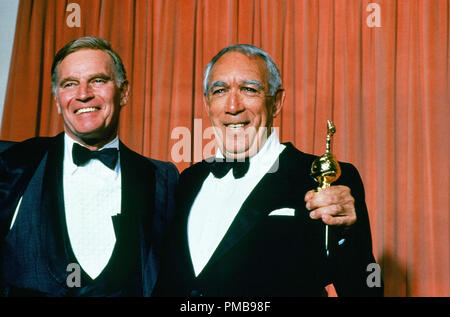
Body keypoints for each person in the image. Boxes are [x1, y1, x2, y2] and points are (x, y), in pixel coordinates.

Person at [154, 44, 382, 297]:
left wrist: (350, 235)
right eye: (219, 91)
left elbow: (367, 289)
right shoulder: (186, 181)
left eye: (249, 89)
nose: (233, 106)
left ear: (277, 102)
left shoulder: (325, 179)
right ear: (207, 103)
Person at [0, 36, 178, 296]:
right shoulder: (11, 165)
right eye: (70, 84)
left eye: (98, 80)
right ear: (58, 99)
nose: (83, 94)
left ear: (124, 92)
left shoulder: (161, 178)